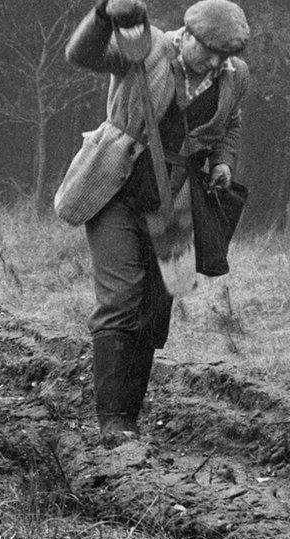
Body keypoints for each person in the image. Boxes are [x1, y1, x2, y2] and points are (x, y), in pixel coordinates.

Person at [55, 0, 250, 441]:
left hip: (174, 201)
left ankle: (130, 419)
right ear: (187, 35)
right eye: (211, 51)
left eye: (226, 55)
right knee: (122, 298)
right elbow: (81, 55)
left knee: (152, 310)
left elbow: (231, 125)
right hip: (114, 189)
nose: (218, 63)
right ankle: (113, 422)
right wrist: (104, 15)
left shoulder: (235, 76)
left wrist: (223, 162)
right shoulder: (149, 47)